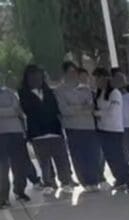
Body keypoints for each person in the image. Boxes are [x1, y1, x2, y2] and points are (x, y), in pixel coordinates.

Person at [18, 64, 75, 195]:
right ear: (27, 79)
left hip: (54, 130)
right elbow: (27, 110)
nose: (36, 79)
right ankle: (49, 183)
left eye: (38, 76)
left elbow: (56, 109)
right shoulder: (23, 94)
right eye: (32, 77)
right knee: (44, 161)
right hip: (37, 133)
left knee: (61, 159)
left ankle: (65, 182)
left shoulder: (50, 92)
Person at [56, 61, 101, 192]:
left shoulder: (85, 89)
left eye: (74, 72)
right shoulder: (60, 90)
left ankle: (94, 180)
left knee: (92, 154)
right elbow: (65, 110)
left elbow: (91, 107)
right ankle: (85, 182)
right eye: (70, 72)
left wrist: (75, 107)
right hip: (73, 128)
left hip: (89, 127)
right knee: (78, 156)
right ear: (64, 74)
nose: (73, 74)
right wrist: (82, 107)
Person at [92, 67, 129, 192]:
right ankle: (120, 180)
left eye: (98, 78)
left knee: (119, 157)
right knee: (110, 157)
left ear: (105, 78)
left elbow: (112, 111)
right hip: (102, 130)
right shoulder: (100, 93)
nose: (96, 81)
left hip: (114, 130)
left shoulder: (114, 93)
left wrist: (96, 113)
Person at [0, 72, 29, 207]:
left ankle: (20, 191)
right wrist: (9, 111)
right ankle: (3, 197)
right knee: (2, 167)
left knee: (19, 164)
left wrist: (6, 111)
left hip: (16, 132)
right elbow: (12, 110)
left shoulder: (9, 93)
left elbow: (17, 109)